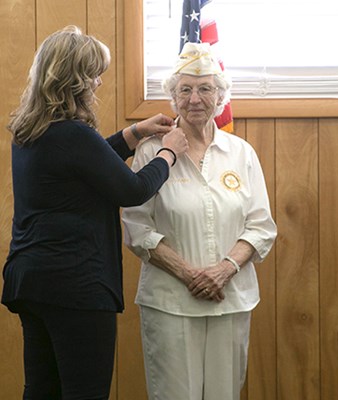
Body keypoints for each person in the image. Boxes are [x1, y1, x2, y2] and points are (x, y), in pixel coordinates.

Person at [1, 26, 189, 400]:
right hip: (76, 286)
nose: (99, 82)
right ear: (75, 80)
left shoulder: (30, 130)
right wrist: (170, 152)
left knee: (41, 390)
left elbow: (84, 165)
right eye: (94, 74)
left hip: (32, 280)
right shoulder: (74, 134)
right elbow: (132, 190)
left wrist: (133, 133)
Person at [121, 42, 277, 400]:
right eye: (185, 89)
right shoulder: (151, 151)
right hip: (170, 302)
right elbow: (137, 227)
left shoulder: (241, 153)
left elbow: (261, 226)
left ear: (220, 96)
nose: (195, 98)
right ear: (172, 97)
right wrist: (191, 275)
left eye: (205, 88)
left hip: (230, 299)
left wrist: (223, 270)